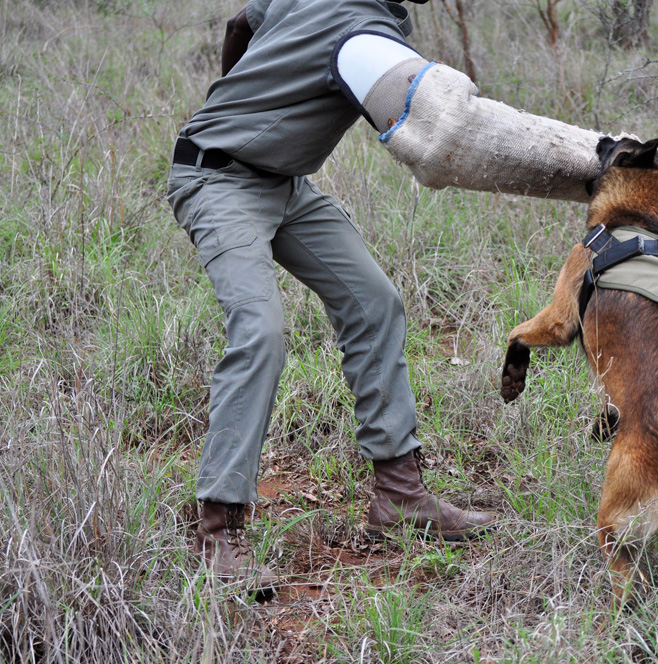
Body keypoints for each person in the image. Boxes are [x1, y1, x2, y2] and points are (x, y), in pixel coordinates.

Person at [166, 0, 606, 594]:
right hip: (217, 178)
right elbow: (448, 137)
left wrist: (236, 96)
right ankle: (217, 531)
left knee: (375, 304)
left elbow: (241, 23)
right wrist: (603, 162)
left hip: (283, 184)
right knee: (260, 328)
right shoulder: (362, 35)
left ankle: (398, 493)